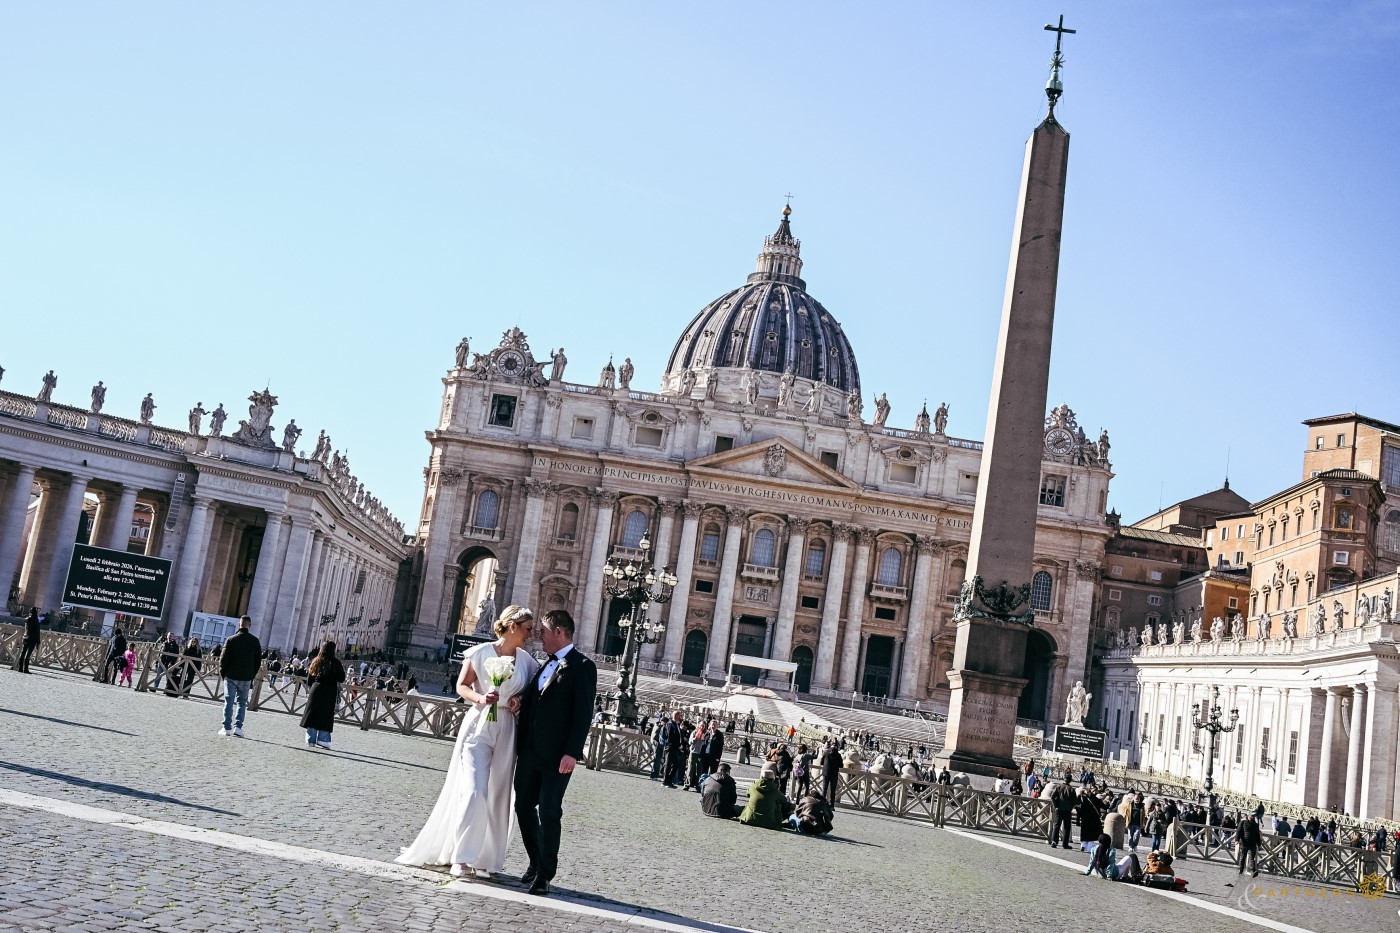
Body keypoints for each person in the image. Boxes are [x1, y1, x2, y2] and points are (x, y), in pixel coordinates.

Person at [398, 605, 538, 879]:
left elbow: (530, 696)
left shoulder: (528, 662)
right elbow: (462, 686)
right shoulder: (480, 652)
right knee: (474, 790)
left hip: (508, 727)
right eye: (527, 628)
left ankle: (486, 859)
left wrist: (520, 701)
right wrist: (480, 698)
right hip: (478, 725)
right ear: (512, 626)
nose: (531, 635)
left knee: (498, 794)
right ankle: (461, 857)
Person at [513, 609, 597, 897]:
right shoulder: (544, 664)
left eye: (544, 631)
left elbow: (583, 713)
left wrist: (572, 752)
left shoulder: (583, 666)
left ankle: (545, 874)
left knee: (550, 812)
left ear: (559, 632)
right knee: (522, 807)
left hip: (558, 756)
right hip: (530, 750)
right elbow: (536, 700)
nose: (540, 636)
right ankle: (536, 861)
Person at [218, 616, 262, 738]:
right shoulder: (255, 641)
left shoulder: (231, 640)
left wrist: (224, 674)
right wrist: (251, 675)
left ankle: (226, 728)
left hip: (231, 675)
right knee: (242, 703)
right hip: (246, 677)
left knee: (229, 701)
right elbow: (258, 661)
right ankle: (238, 727)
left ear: (239, 625)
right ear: (250, 625)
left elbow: (223, 660)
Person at [300, 640, 346, 749]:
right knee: (326, 714)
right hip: (329, 690)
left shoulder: (316, 660)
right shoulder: (336, 662)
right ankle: (323, 740)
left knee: (313, 713)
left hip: (316, 689)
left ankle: (311, 740)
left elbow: (310, 678)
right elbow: (341, 678)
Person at [739, 765, 789, 830]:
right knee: (778, 803)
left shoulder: (754, 786)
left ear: (761, 777)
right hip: (770, 822)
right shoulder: (775, 790)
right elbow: (784, 801)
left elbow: (747, 793)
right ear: (773, 779)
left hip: (749, 819)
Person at [661, 710, 686, 788]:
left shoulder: (676, 724)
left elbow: (678, 735)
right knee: (668, 764)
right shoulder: (670, 724)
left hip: (675, 747)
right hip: (671, 747)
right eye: (679, 715)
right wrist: (678, 744)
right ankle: (665, 781)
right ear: (676, 716)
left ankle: (669, 780)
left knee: (675, 764)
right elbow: (670, 736)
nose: (680, 717)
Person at [14, 608, 41, 673]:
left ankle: (20, 668)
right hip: (33, 639)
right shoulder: (36, 621)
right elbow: (37, 632)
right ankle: (26, 669)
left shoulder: (27, 620)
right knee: (28, 654)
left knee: (23, 653)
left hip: (26, 637)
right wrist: (38, 641)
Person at [1049, 782, 1075, 850]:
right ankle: (1065, 844)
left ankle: (1054, 841)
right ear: (1070, 780)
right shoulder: (1072, 789)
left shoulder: (1059, 787)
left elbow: (1052, 796)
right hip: (1067, 811)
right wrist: (1071, 807)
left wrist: (1055, 806)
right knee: (1067, 827)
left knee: (1057, 826)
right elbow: (1074, 801)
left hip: (1059, 809)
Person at [1237, 812, 1261, 877]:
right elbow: (1239, 831)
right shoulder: (1243, 823)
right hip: (1244, 843)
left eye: (1254, 816)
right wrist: (1237, 840)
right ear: (1248, 815)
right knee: (1243, 857)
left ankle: (1253, 871)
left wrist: (1259, 844)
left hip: (1253, 844)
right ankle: (1241, 870)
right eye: (1252, 816)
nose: (1253, 817)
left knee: (1251, 858)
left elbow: (1257, 835)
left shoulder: (1256, 825)